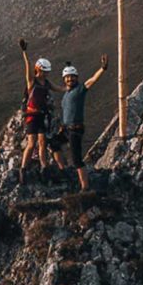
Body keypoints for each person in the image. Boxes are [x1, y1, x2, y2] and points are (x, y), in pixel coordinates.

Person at [56, 56, 108, 189]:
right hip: (66, 129)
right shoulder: (66, 95)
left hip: (75, 129)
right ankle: (63, 171)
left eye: (72, 77)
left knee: (77, 159)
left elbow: (92, 81)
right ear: (64, 79)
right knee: (53, 144)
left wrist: (102, 69)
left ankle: (85, 187)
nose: (70, 79)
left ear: (76, 78)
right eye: (67, 77)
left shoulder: (80, 89)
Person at [16, 42, 54, 177]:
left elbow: (60, 88)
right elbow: (28, 66)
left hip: (41, 116)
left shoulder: (47, 83)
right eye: (45, 71)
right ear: (39, 70)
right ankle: (23, 169)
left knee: (42, 143)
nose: (46, 74)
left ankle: (44, 167)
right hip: (32, 116)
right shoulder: (32, 81)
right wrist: (24, 52)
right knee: (31, 143)